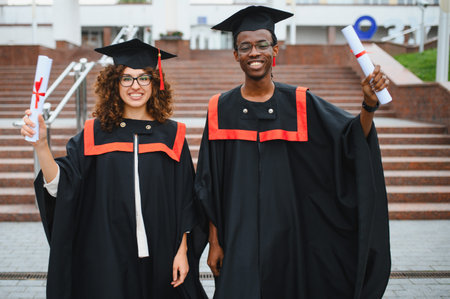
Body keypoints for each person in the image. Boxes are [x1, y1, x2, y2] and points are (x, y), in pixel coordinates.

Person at [194, 6, 391, 299]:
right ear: (236, 54)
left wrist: (368, 106)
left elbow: (349, 141)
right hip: (238, 236)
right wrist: (215, 242)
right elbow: (210, 184)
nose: (254, 52)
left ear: (275, 49)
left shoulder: (301, 103)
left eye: (262, 45)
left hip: (291, 235)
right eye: (245, 46)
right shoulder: (220, 108)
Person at [21, 39, 208, 299]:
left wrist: (183, 252)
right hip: (107, 253)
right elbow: (63, 187)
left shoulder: (172, 135)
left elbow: (187, 199)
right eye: (126, 79)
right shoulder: (94, 134)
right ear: (113, 83)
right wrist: (42, 145)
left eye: (143, 78)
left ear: (155, 83)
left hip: (163, 251)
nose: (135, 86)